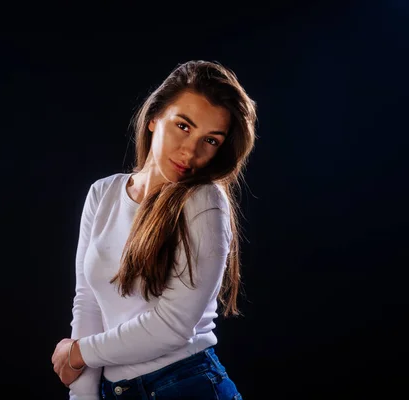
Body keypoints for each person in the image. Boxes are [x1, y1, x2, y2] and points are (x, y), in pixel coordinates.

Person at [51, 60, 257, 399]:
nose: (191, 151)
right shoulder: (102, 194)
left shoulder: (204, 201)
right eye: (183, 126)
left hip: (187, 386)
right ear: (154, 118)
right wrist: (83, 395)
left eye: (211, 140)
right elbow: (88, 304)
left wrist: (78, 352)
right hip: (117, 391)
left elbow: (174, 326)